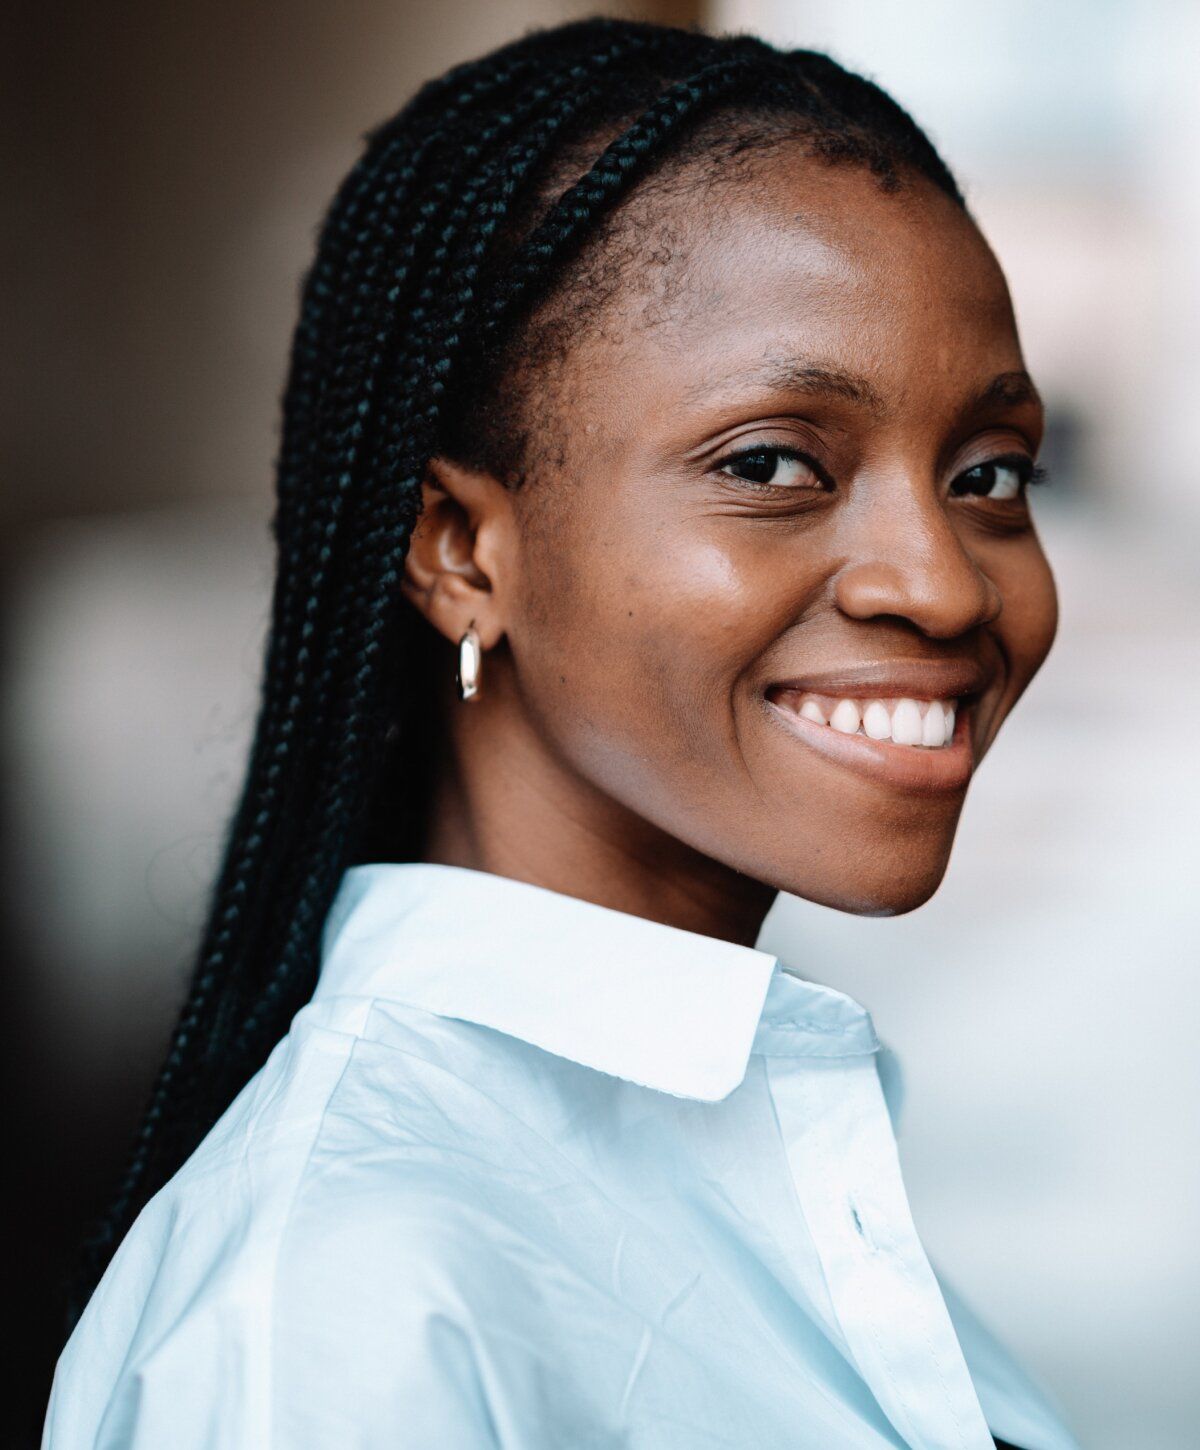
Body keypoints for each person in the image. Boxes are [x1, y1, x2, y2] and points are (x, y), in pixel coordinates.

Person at [43, 18, 1080, 1449]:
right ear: (465, 547)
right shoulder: (350, 1311)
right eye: (772, 462)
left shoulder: (753, 1165)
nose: (945, 580)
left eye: (988, 472)